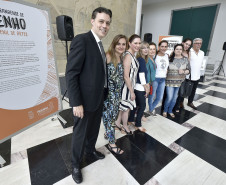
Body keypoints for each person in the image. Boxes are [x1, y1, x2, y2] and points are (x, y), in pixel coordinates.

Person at [66, 7, 112, 184]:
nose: (104, 25)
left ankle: (90, 150)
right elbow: (71, 73)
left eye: (107, 23)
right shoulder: (82, 40)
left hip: (98, 97)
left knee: (93, 129)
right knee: (80, 133)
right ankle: (76, 164)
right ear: (92, 21)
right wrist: (76, 102)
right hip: (83, 101)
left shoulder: (100, 44)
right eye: (101, 21)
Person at [102, 34, 128, 154]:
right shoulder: (108, 56)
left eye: (123, 44)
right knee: (110, 119)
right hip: (107, 94)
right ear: (114, 44)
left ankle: (108, 134)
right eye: (119, 44)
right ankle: (112, 143)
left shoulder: (122, 58)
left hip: (117, 94)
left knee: (111, 117)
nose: (121, 46)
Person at [115, 34, 141, 134]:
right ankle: (124, 126)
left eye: (139, 43)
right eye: (135, 43)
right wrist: (131, 91)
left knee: (123, 108)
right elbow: (126, 76)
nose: (137, 45)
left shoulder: (132, 55)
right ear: (129, 43)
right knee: (126, 109)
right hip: (126, 87)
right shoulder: (128, 55)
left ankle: (117, 123)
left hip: (130, 86)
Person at [163, 44, 190, 118]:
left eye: (180, 49)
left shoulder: (185, 59)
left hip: (179, 82)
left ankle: (170, 111)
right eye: (177, 49)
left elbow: (189, 70)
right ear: (174, 50)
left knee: (174, 98)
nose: (178, 50)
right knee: (169, 97)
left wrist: (184, 72)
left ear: (182, 50)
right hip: (169, 82)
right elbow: (164, 68)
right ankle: (165, 110)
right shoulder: (169, 59)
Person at [128, 41, 150, 132]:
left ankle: (130, 120)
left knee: (136, 105)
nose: (146, 50)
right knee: (142, 106)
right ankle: (138, 124)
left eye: (147, 48)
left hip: (137, 86)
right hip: (140, 87)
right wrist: (146, 87)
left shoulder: (140, 59)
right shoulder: (141, 59)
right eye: (143, 48)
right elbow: (141, 74)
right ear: (140, 49)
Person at [148, 40, 169, 116]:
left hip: (163, 79)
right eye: (162, 46)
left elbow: (166, 66)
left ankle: (151, 108)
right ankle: (151, 109)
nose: (163, 48)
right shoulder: (154, 55)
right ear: (159, 47)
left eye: (165, 46)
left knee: (159, 97)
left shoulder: (167, 55)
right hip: (155, 79)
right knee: (152, 95)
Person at [174, 38, 192, 111]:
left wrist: (185, 71)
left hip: (183, 75)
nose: (187, 46)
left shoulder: (188, 53)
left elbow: (188, 65)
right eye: (186, 44)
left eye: (189, 45)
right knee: (173, 92)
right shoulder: (177, 50)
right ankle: (170, 106)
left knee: (181, 92)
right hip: (174, 76)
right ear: (183, 43)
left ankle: (177, 106)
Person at [146, 42, 157, 116]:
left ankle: (150, 109)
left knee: (151, 97)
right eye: (150, 49)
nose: (152, 51)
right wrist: (148, 84)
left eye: (154, 49)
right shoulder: (147, 59)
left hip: (152, 81)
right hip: (148, 82)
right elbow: (146, 73)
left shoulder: (153, 58)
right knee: (147, 98)